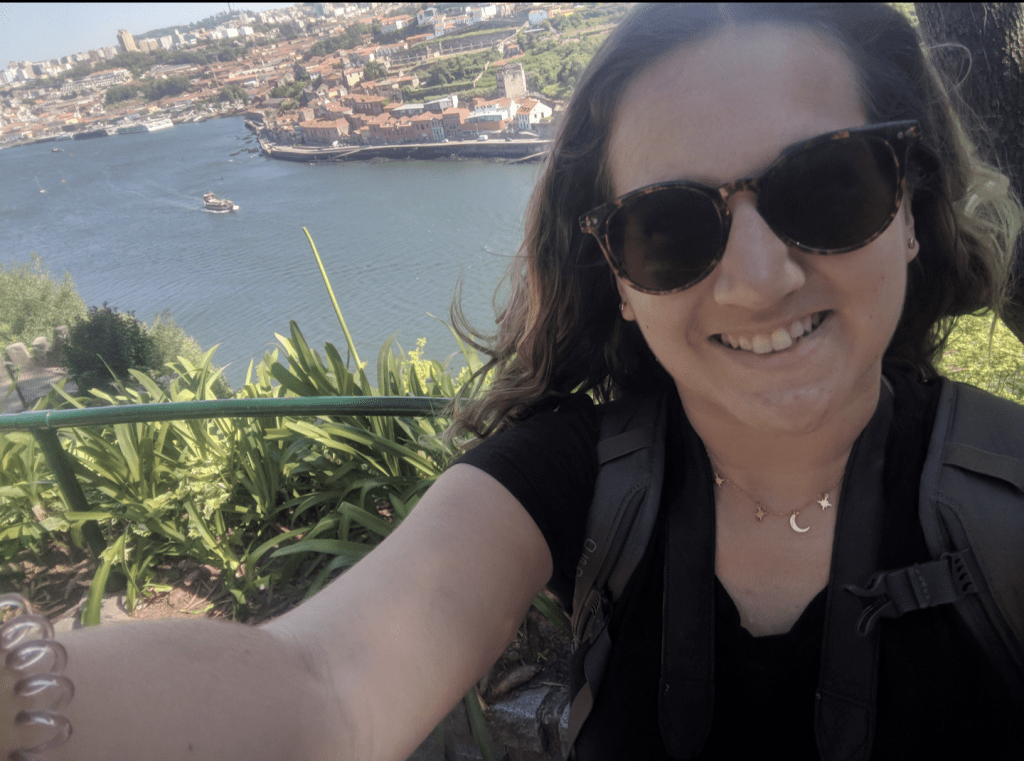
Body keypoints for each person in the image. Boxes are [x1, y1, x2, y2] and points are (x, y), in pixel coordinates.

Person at [3, 4, 1023, 760]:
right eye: (669, 227)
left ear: (910, 205)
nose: (759, 279)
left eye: (829, 185)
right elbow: (323, 686)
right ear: (620, 281)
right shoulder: (576, 474)